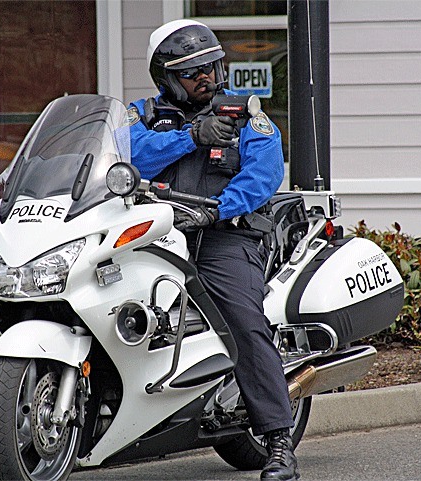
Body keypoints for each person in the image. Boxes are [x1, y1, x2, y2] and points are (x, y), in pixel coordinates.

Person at [127, 19, 299, 481]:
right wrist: (190, 137)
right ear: (165, 77)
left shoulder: (245, 115)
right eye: (191, 72)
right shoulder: (140, 116)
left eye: (212, 66)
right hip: (150, 233)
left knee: (240, 320)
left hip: (224, 236)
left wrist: (216, 210)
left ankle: (280, 439)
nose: (207, 77)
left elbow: (264, 174)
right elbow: (127, 156)